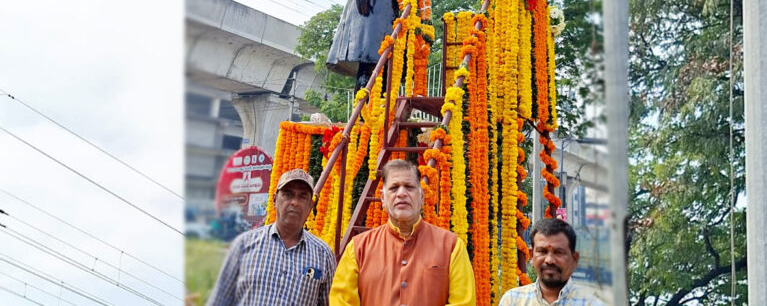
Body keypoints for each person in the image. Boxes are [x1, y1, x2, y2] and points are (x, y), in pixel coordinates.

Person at [329, 159, 476, 306]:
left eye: (409, 187)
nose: (401, 193)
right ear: (382, 198)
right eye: (394, 188)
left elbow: (463, 303)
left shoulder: (451, 246)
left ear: (422, 196)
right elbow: (341, 302)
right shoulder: (358, 248)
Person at [207, 169, 336, 306]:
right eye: (288, 194)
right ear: (274, 200)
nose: (295, 202)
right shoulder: (244, 245)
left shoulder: (323, 255)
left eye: (302, 196)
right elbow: (219, 301)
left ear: (310, 206)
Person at [499, 218, 605, 306]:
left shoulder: (591, 303)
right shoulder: (512, 300)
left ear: (574, 259)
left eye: (558, 252)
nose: (549, 260)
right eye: (542, 251)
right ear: (531, 256)